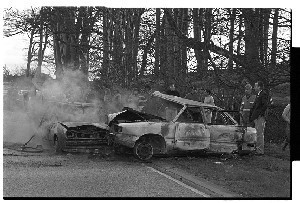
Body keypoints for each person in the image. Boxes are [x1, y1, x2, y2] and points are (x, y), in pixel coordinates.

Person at [249, 81, 269, 155]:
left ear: (259, 87)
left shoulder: (263, 94)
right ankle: (256, 148)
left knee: (260, 133)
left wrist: (260, 114)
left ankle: (260, 151)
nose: (254, 88)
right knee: (256, 133)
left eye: (255, 86)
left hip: (260, 117)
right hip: (256, 117)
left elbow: (265, 105)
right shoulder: (258, 95)